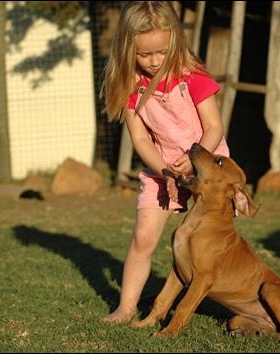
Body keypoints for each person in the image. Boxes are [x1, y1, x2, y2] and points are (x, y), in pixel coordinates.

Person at [100, 1, 230, 324]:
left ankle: (228, 298)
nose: (154, 61)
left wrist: (193, 158)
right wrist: (163, 170)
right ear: (127, 48)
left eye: (161, 52)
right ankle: (126, 307)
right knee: (143, 238)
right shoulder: (131, 85)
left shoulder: (193, 76)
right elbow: (141, 140)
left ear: (175, 41)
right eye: (144, 55)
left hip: (205, 167)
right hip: (162, 168)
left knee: (207, 243)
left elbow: (214, 127)